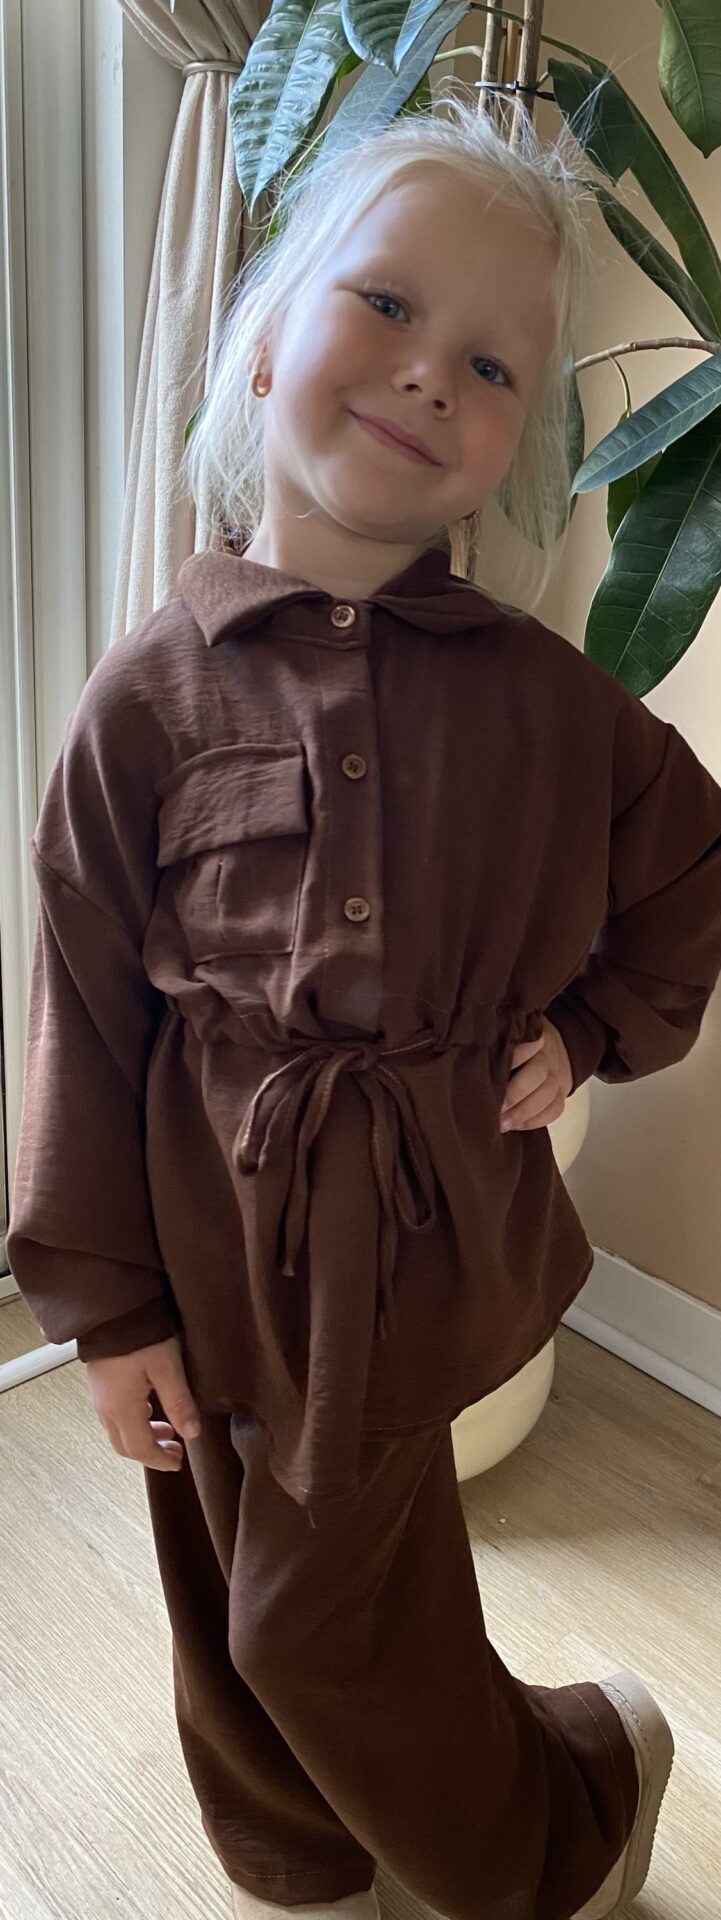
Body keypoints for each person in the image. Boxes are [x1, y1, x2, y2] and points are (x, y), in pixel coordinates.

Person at [7, 87, 721, 1920]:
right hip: (200, 1235)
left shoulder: (545, 704)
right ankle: (303, 1857)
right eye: (386, 305)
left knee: (315, 1626)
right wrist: (106, 1309)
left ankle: (558, 1827)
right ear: (263, 342)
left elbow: (691, 862)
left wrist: (593, 1031)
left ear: (511, 450)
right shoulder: (142, 700)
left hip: (410, 1240)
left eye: (490, 364)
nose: (428, 375)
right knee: (219, 1580)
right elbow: (83, 1006)